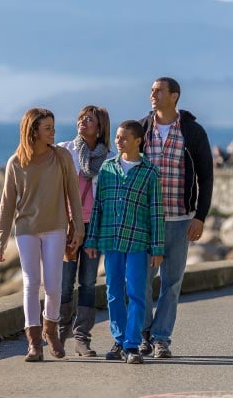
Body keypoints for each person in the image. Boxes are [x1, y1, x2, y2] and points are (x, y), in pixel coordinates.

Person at [0, 107, 85, 362]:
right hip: (26, 230)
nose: (53, 132)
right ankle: (34, 343)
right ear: (33, 130)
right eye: (48, 128)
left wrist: (78, 226)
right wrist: (1, 241)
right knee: (31, 284)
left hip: (56, 227)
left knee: (53, 285)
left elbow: (73, 195)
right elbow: (7, 204)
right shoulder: (16, 162)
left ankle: (51, 330)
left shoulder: (62, 157)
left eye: (53, 127)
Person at [139, 77, 214, 358]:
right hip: (147, 221)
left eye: (158, 91)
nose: (152, 95)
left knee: (172, 282)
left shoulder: (192, 131)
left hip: (181, 220)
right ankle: (143, 334)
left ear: (175, 96)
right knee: (142, 280)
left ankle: (161, 338)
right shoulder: (143, 128)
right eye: (151, 91)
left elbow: (206, 177)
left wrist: (200, 216)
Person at [84, 120, 165, 365]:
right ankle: (119, 341)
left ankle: (132, 345)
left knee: (138, 293)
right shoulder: (107, 169)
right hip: (110, 241)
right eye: (117, 137)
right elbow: (97, 207)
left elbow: (156, 213)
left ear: (137, 141)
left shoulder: (149, 172)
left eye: (123, 138)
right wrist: (91, 239)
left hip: (138, 242)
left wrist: (157, 248)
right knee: (113, 293)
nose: (118, 141)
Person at [56, 105, 113, 357]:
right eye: (81, 117)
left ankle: (82, 338)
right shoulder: (64, 150)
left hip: (95, 227)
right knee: (65, 282)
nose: (82, 122)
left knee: (88, 283)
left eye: (89, 119)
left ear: (100, 127)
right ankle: (59, 333)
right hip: (69, 224)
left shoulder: (110, 158)